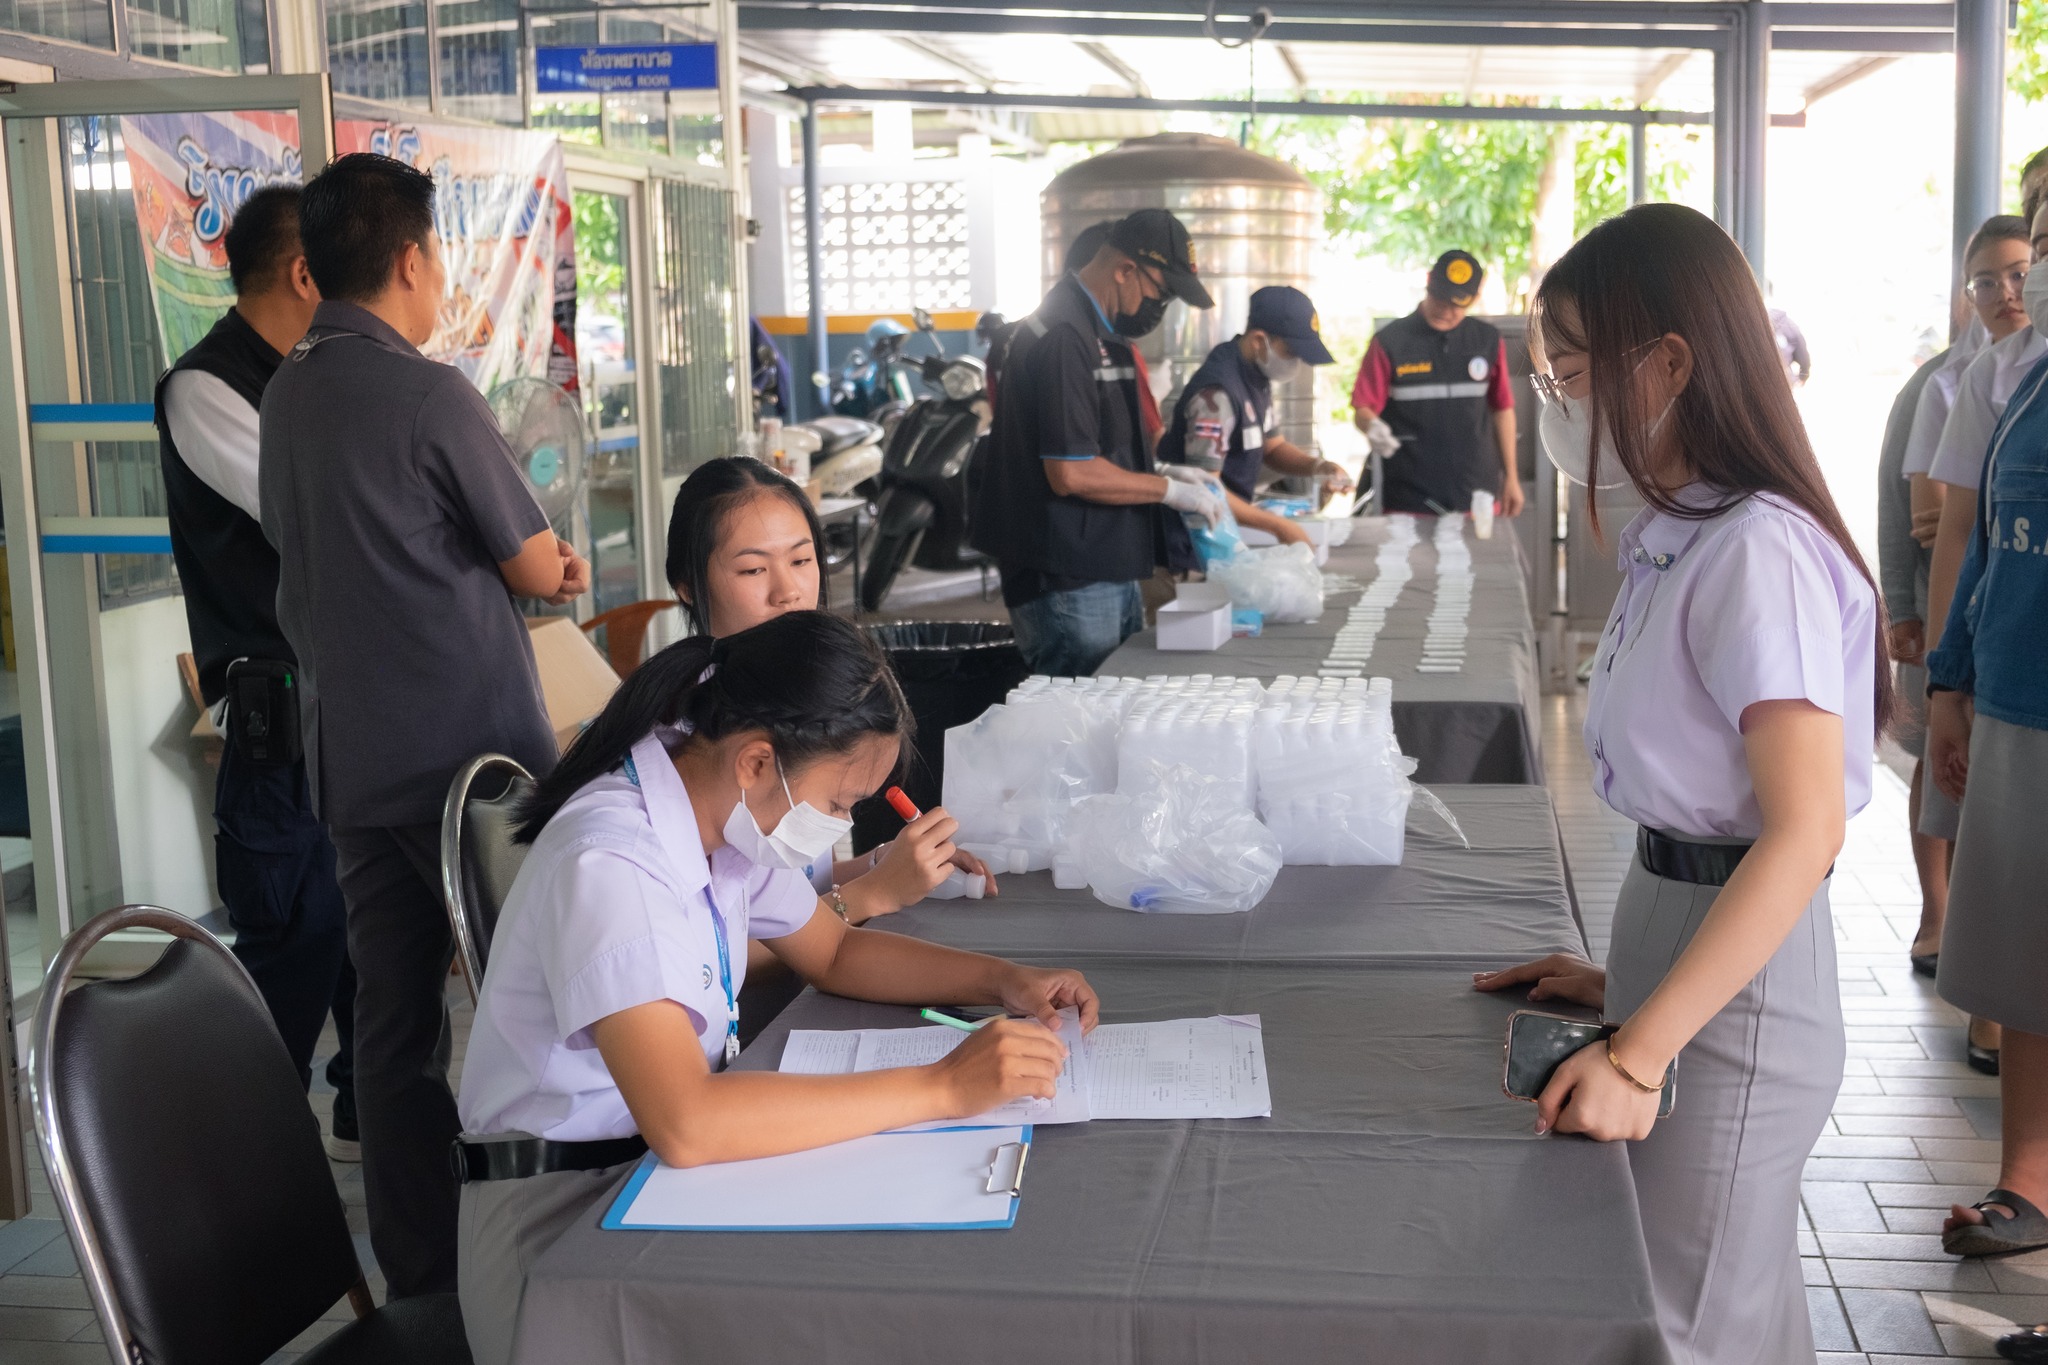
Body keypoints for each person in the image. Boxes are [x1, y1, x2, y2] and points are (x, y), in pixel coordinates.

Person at [453, 612, 1100, 1365]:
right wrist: (944, 1086)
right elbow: (689, 1122)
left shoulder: (719, 808)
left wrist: (1002, 980)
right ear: (758, 762)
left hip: (649, 1175)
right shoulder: (612, 866)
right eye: (837, 803)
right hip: (558, 1223)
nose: (843, 825)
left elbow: (835, 951)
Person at [1475, 203, 1886, 1364]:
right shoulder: (1684, 533)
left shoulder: (1758, 547)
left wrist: (1642, 1050)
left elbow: (1800, 834)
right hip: (1677, 934)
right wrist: (1627, 974)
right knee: (1723, 1304)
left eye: (1567, 374)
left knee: (1682, 1322)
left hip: (1737, 994)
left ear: (1665, 364)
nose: (1555, 404)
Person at [261, 152, 591, 1298]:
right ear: (411, 258)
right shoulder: (429, 391)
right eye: (439, 251)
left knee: (393, 1040)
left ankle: (422, 1281)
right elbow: (533, 560)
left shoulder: (288, 393)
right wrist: (557, 563)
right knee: (536, 1001)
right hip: (469, 768)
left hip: (351, 764)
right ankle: (547, 1260)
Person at [153, 184, 358, 1162]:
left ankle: (368, 1115)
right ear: (304, 272)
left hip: (357, 701)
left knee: (368, 922)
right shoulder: (205, 386)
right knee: (297, 926)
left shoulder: (322, 372)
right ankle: (246, 1156)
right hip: (276, 711)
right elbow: (310, 510)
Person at [663, 454, 992, 931]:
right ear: (689, 587)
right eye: (754, 570)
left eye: (801, 560)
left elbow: (789, 889)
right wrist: (872, 894)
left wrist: (888, 863)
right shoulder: (695, 741)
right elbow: (719, 946)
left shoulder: (799, 696)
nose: (789, 591)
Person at [1923, 267, 2048, 1270]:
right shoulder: (2022, 381)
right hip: (2013, 698)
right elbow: (1979, 554)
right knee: (2018, 967)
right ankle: (2027, 1185)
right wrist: (1947, 680)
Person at [969, 208, 1221, 677]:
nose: (1160, 306)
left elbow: (1096, 444)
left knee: (1112, 702)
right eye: (1161, 292)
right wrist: (1169, 493)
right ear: (1125, 270)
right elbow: (1071, 471)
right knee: (1079, 721)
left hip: (1104, 563)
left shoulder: (1101, 328)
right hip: (1065, 576)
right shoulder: (1065, 334)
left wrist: (1164, 471)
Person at [1882, 215, 2028, 983]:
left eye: (2019, 270)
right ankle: (1939, 916)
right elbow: (1929, 517)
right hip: (1965, 630)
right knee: (1948, 776)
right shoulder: (1957, 379)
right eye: (1986, 280)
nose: (2007, 291)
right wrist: (1930, 651)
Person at [1157, 285, 1354, 545]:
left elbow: (1273, 448)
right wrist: (1278, 527)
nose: (1296, 364)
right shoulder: (1218, 394)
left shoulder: (1255, 376)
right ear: (1259, 341)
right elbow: (1205, 489)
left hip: (1223, 531)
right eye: (1291, 353)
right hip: (1189, 543)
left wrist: (1317, 467)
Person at [1350, 249, 1524, 519]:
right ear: (1428, 284)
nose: (1445, 310)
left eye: (1457, 304)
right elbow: (1362, 408)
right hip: (1407, 499)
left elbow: (1503, 409)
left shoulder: (1487, 340)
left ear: (1474, 299)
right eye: (1439, 298)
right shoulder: (1390, 342)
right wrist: (1372, 426)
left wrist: (1512, 477)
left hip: (1476, 496)